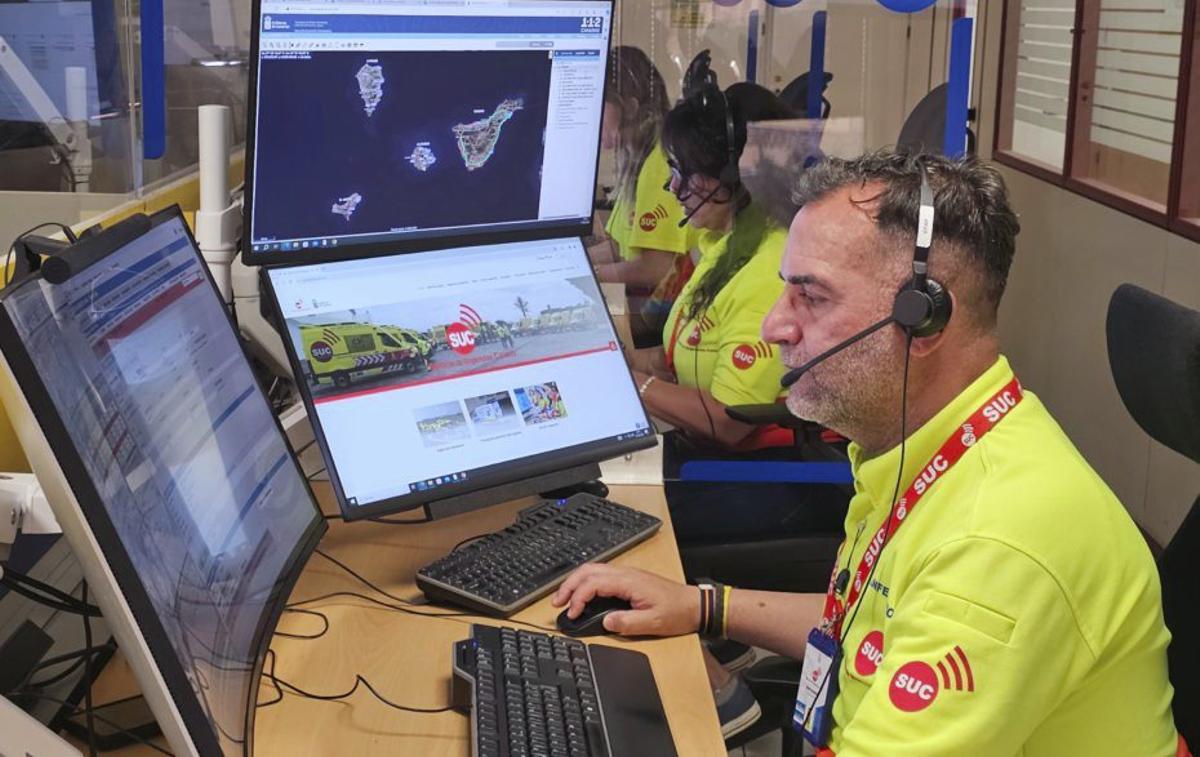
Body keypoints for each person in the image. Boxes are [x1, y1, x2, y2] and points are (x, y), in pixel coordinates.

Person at [553, 150, 1186, 755]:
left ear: (923, 318)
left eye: (811, 296)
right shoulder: (924, 445)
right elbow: (874, 627)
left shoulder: (997, 542)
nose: (774, 325)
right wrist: (702, 605)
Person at [589, 47, 695, 307]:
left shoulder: (660, 162)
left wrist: (590, 275)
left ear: (630, 107)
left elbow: (655, 268)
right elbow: (618, 247)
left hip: (660, 309)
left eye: (599, 104)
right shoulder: (637, 157)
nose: (591, 117)